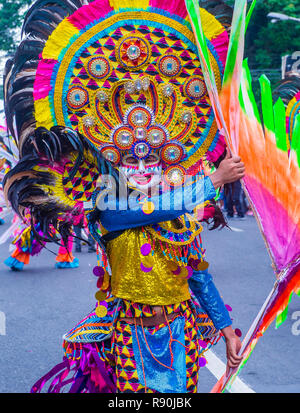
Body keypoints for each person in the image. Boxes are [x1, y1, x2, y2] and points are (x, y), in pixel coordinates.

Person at [3, 0, 244, 393]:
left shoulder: (181, 217)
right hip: (128, 340)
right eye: (132, 159)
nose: (144, 164)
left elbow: (199, 275)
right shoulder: (111, 207)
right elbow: (141, 211)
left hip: (182, 336)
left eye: (155, 158)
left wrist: (226, 329)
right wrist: (212, 180)